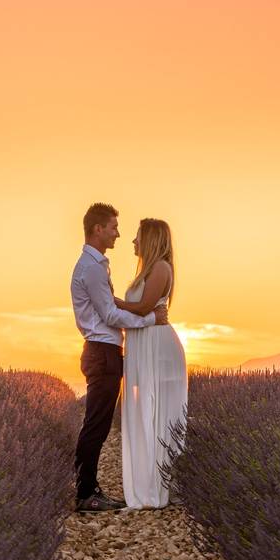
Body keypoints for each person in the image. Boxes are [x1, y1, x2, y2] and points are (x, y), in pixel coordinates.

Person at [70, 203, 169, 512]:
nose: (118, 233)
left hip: (104, 351)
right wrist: (151, 319)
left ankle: (87, 487)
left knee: (96, 423)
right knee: (96, 424)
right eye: (113, 227)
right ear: (98, 229)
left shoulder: (96, 265)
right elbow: (110, 315)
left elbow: (110, 309)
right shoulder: (92, 268)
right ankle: (86, 493)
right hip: (102, 351)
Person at [114, 218, 187, 509]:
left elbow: (144, 307)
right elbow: (143, 310)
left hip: (158, 349)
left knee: (160, 417)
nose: (133, 241)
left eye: (137, 236)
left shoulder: (160, 268)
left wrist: (112, 301)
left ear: (151, 239)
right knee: (146, 413)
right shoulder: (148, 269)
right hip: (146, 345)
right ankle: (148, 486)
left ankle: (159, 489)